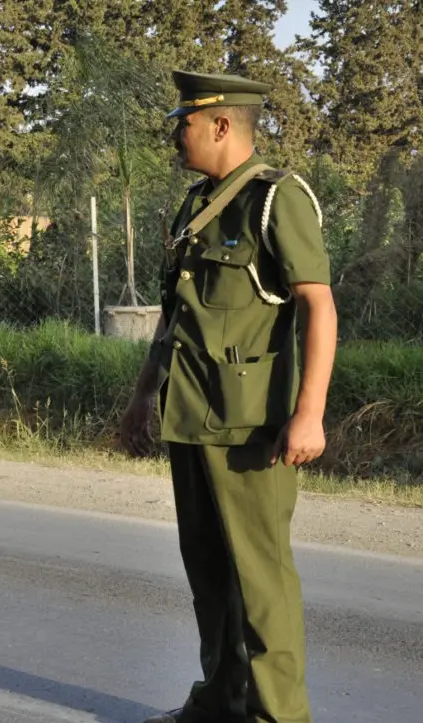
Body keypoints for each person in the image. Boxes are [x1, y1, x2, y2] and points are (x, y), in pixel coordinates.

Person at [121, 71, 338, 723]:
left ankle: (279, 714)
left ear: (221, 124)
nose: (174, 132)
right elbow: (173, 316)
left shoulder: (276, 200)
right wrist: (142, 399)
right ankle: (223, 697)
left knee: (261, 580)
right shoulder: (197, 205)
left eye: (183, 121)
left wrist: (310, 411)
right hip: (191, 417)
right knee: (208, 572)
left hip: (250, 430)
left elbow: (318, 306)